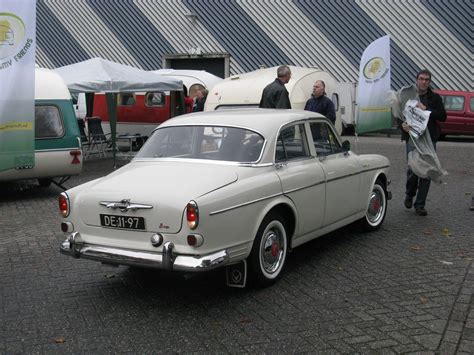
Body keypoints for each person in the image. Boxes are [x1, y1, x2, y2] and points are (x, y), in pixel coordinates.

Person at [399, 69, 446, 216]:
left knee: (426, 171)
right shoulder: (407, 95)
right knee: (413, 169)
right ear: (416, 79)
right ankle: (409, 193)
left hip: (429, 139)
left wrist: (428, 110)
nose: (424, 82)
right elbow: (399, 115)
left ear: (429, 82)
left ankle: (420, 205)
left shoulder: (435, 98)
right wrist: (402, 125)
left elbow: (443, 116)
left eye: (427, 79)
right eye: (421, 79)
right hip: (412, 138)